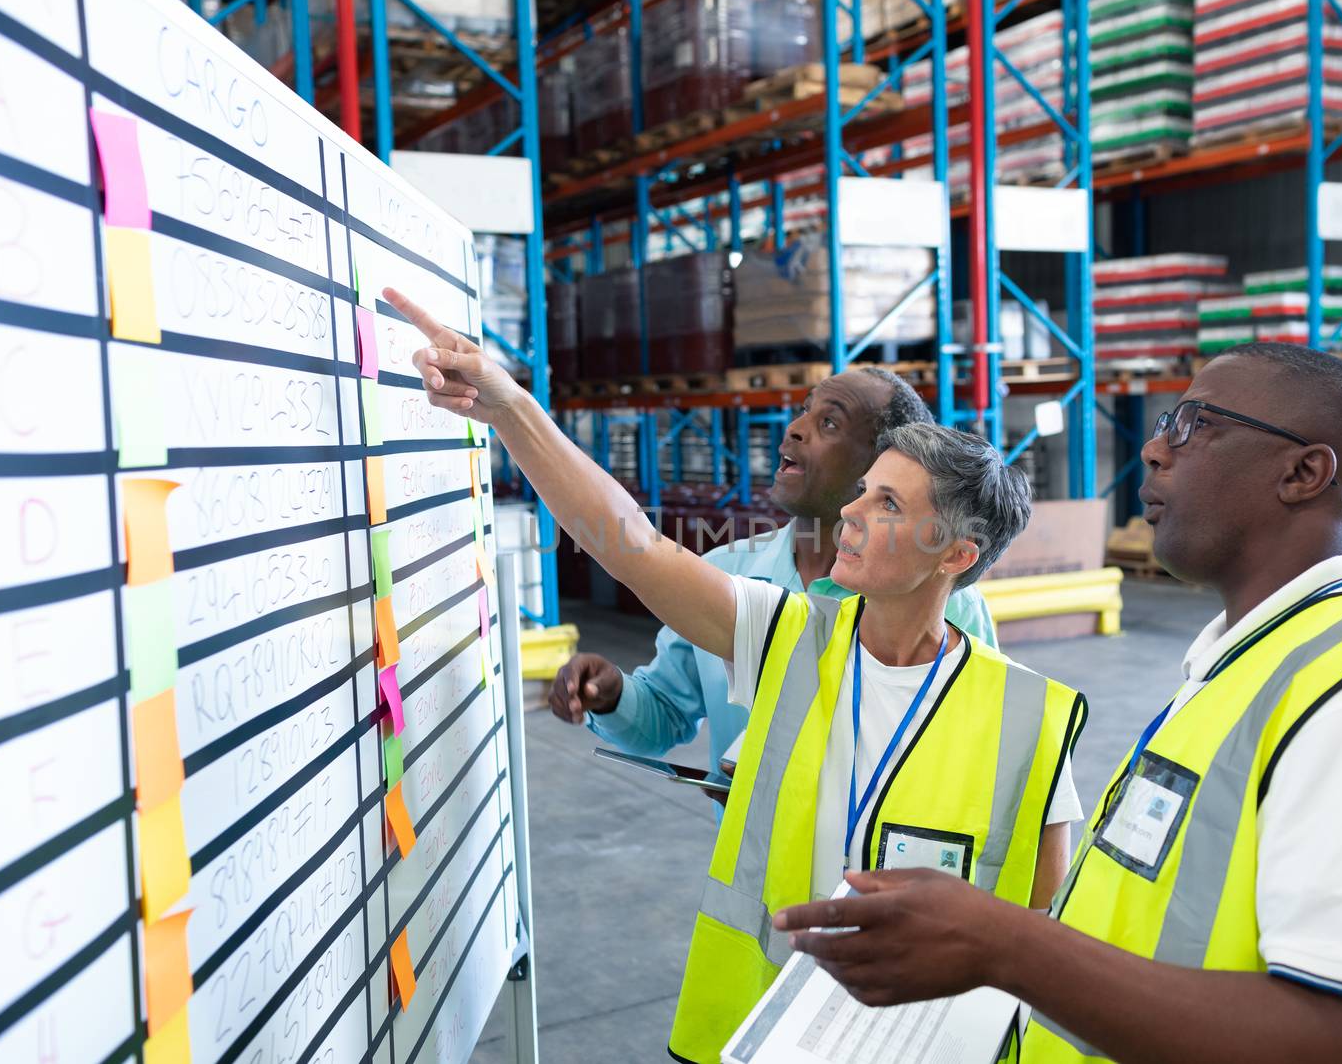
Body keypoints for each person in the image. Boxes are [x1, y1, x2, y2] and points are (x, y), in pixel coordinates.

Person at [384, 286, 1088, 1064]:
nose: (851, 513)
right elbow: (632, 544)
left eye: (885, 501)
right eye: (860, 493)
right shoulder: (786, 636)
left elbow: (1042, 913)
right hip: (772, 1025)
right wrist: (512, 408)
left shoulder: (1024, 711)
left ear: (956, 554)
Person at [774, 343, 1342, 1064]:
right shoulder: (1245, 666)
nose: (1152, 449)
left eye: (1191, 424)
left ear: (1303, 473)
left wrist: (1001, 942)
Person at [549, 368, 999, 786]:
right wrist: (612, 698)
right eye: (805, 409)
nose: (795, 427)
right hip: (759, 868)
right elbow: (665, 714)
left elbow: (973, 758)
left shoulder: (950, 602)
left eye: (829, 423)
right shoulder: (724, 572)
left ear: (881, 465)